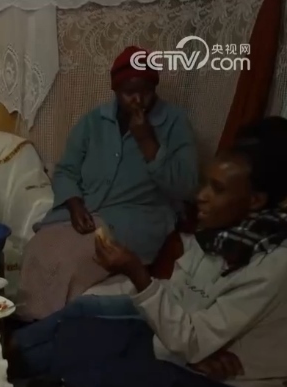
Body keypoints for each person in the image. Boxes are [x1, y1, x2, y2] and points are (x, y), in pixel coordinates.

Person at [8, 117, 287, 387]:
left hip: (231, 386)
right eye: (205, 184)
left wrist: (137, 273)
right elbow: (180, 305)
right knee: (85, 316)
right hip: (186, 343)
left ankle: (26, 376)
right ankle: (5, 360)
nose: (201, 196)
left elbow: (186, 338)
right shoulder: (222, 233)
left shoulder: (275, 264)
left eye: (218, 189)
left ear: (256, 200)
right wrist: (187, 348)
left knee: (106, 360)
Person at [17, 46, 200, 320]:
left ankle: (51, 330)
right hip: (86, 212)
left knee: (69, 262)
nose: (138, 100)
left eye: (146, 91)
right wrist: (74, 204)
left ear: (155, 88)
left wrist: (147, 141)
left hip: (137, 218)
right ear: (115, 90)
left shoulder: (174, 123)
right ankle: (27, 323)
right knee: (36, 249)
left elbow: (186, 186)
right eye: (129, 93)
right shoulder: (94, 121)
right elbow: (66, 170)